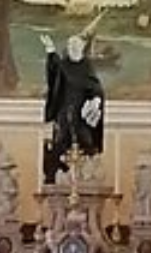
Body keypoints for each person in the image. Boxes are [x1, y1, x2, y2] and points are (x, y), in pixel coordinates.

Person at [39, 14, 107, 183]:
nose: (72, 48)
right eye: (70, 45)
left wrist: (96, 100)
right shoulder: (64, 65)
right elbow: (54, 74)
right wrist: (51, 51)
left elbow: (96, 88)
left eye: (75, 45)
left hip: (81, 114)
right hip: (64, 111)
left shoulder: (86, 67)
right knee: (61, 140)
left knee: (85, 140)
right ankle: (59, 172)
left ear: (81, 48)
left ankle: (86, 172)